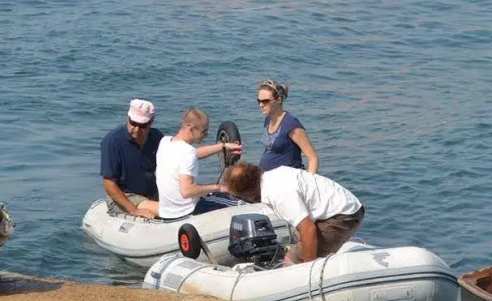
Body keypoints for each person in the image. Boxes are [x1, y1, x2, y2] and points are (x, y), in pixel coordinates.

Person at [223, 163, 364, 264]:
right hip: (343, 205)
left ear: (248, 192)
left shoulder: (279, 194)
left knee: (292, 259)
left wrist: (307, 269)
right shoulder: (275, 174)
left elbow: (308, 229)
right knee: (298, 236)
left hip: (343, 216)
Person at [156, 108, 242, 219]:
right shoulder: (187, 152)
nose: (206, 135)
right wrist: (218, 187)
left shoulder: (165, 142)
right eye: (204, 131)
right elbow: (187, 191)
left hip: (167, 212)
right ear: (190, 128)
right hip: (187, 211)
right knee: (241, 204)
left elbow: (193, 155)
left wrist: (223, 146)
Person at [100, 99, 162, 218]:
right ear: (128, 118)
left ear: (151, 122)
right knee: (167, 210)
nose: (136, 129)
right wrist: (133, 210)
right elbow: (109, 184)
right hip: (126, 196)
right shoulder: (112, 142)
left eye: (142, 125)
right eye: (133, 123)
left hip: (152, 192)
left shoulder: (156, 137)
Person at [257, 79, 320, 173]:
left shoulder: (291, 124)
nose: (261, 105)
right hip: (269, 178)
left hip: (289, 180)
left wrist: (309, 183)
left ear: (278, 100)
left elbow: (313, 158)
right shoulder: (268, 120)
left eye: (265, 101)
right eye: (259, 101)